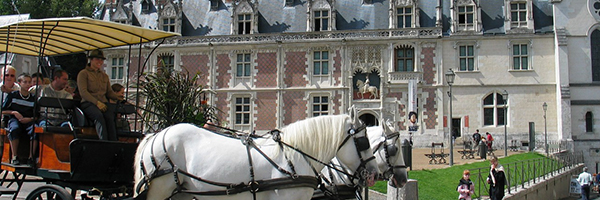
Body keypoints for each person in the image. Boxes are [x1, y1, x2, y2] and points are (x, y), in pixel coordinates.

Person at [77, 49, 122, 141]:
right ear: (91, 60)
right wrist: (97, 103)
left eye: (101, 60)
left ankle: (114, 143)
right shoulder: (83, 74)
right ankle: (103, 142)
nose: (100, 62)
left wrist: (119, 98)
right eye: (97, 59)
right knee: (99, 116)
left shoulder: (104, 76)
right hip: (88, 103)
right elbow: (83, 92)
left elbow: (109, 92)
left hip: (103, 103)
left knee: (110, 117)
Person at [1, 74, 36, 166]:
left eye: (29, 82)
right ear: (19, 83)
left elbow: (37, 115)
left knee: (35, 130)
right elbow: (3, 110)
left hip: (28, 120)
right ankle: (14, 156)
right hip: (15, 119)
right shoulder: (13, 95)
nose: (28, 84)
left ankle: (31, 157)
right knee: (14, 129)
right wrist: (14, 112)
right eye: (25, 82)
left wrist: (30, 119)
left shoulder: (33, 98)